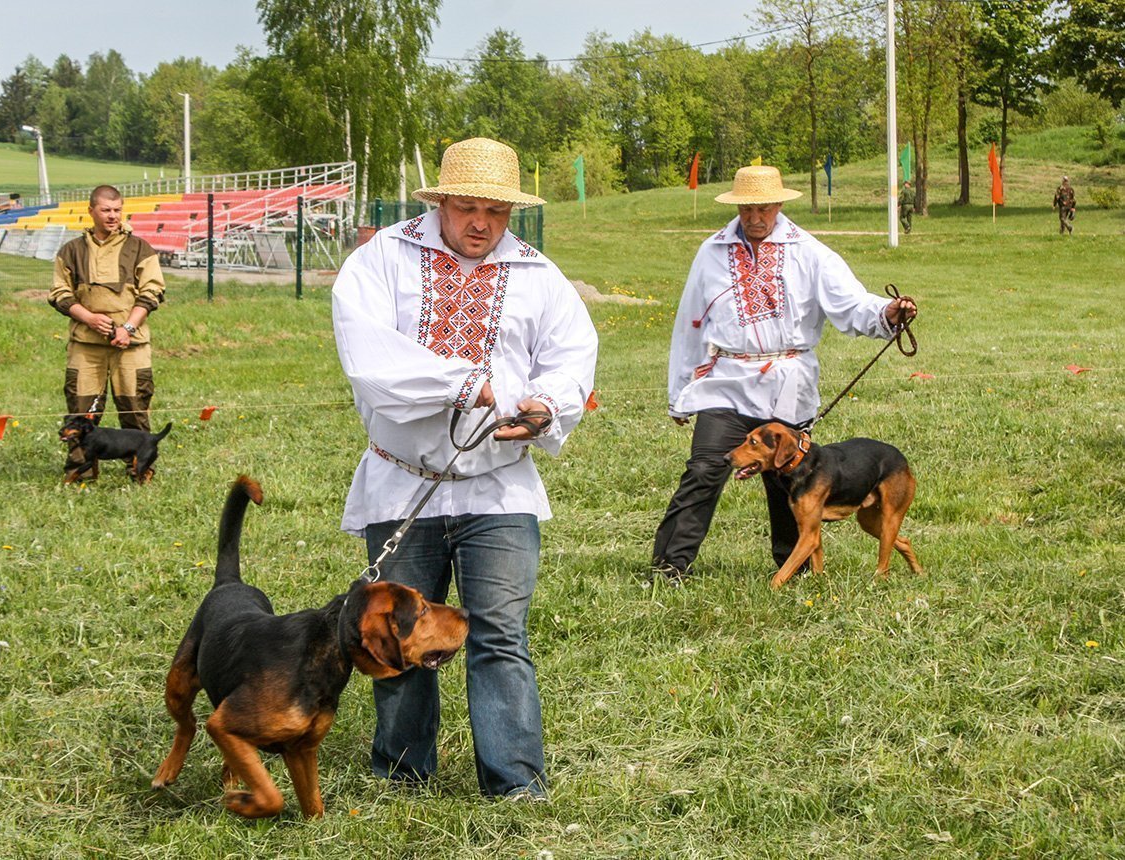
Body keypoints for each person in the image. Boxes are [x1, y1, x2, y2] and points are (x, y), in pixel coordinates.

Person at [331, 137, 598, 800]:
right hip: (403, 481)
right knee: (396, 640)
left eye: (497, 211)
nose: (482, 222)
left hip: (499, 484)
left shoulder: (538, 275)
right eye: (468, 207)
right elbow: (372, 363)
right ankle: (401, 774)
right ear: (440, 201)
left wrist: (545, 406)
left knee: (499, 634)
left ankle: (515, 786)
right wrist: (472, 383)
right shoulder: (382, 262)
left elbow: (571, 360)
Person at [652, 165, 917, 582]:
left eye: (765, 207)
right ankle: (670, 566)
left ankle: (790, 568)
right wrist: (681, 388)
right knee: (704, 468)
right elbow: (690, 321)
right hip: (727, 379)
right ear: (737, 206)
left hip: (787, 383)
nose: (756, 217)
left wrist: (886, 313)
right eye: (748, 208)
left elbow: (849, 303)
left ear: (779, 204)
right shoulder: (712, 251)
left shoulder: (807, 251)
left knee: (788, 478)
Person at [48, 185, 165, 478]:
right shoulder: (71, 250)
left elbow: (153, 292)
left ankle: (139, 471)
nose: (112, 216)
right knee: (81, 409)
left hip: (132, 346)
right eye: (105, 210)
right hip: (86, 347)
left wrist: (128, 327)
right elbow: (59, 293)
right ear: (91, 211)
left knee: (135, 407)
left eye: (117, 210)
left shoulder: (140, 248)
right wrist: (88, 317)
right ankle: (82, 472)